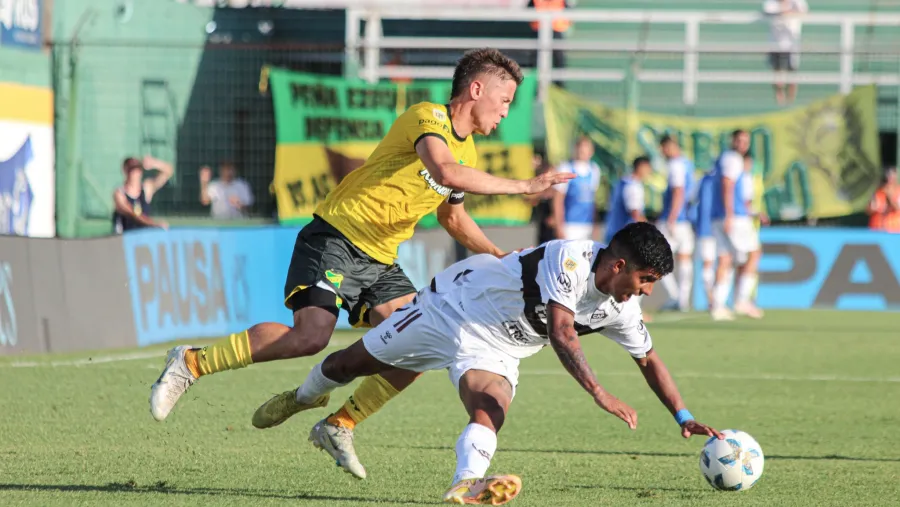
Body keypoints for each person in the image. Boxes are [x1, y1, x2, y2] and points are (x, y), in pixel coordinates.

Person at [148, 48, 575, 479]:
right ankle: (191, 362)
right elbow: (443, 171)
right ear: (476, 88)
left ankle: (340, 423)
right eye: (504, 99)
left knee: (419, 342)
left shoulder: (471, 156)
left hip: (381, 260)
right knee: (311, 337)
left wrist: (498, 256)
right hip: (336, 237)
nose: (506, 110)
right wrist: (523, 185)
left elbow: (452, 216)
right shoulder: (427, 118)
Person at [259, 222, 722, 505]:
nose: (646, 292)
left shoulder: (621, 307)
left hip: (501, 346)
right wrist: (599, 392)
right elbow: (561, 332)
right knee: (348, 365)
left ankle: (466, 485)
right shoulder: (571, 260)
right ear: (619, 265)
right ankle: (303, 399)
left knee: (491, 409)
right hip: (455, 309)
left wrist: (683, 415)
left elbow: (649, 358)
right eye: (645, 280)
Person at [710, 130, 758, 321]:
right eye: (739, 140)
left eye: (746, 141)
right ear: (732, 141)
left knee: (725, 258)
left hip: (719, 216)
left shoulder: (724, 158)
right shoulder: (733, 159)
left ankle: (718, 305)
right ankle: (741, 300)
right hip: (734, 217)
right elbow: (727, 185)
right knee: (754, 254)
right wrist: (730, 214)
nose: (742, 144)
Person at [656, 135, 696, 312]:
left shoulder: (675, 164)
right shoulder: (688, 163)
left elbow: (678, 192)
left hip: (674, 219)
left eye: (663, 148)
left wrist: (672, 217)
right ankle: (683, 300)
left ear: (668, 147)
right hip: (686, 219)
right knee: (685, 257)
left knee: (657, 258)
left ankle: (675, 296)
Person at [732, 154, 766, 318]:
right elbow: (745, 203)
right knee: (755, 254)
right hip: (741, 220)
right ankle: (742, 300)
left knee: (739, 262)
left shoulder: (730, 177)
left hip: (732, 220)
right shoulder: (744, 178)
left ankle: (738, 300)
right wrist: (757, 213)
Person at [551, 135, 601, 241]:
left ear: (591, 151)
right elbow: (558, 200)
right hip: (569, 225)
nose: (582, 151)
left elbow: (593, 200)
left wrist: (595, 224)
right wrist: (559, 226)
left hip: (587, 225)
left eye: (586, 148)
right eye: (580, 148)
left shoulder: (594, 169)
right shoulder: (566, 168)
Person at [763, 0, 809, 106]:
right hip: (775, 43)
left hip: (792, 43)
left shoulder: (798, 2)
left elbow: (804, 12)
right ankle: (780, 101)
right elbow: (769, 12)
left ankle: (791, 101)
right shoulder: (771, 3)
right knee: (777, 72)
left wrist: (788, 12)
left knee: (792, 72)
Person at [112, 155, 172, 234]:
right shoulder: (120, 193)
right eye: (131, 170)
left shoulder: (146, 189)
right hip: (123, 239)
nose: (134, 173)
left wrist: (154, 163)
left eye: (137, 169)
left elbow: (168, 171)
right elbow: (134, 214)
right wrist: (153, 224)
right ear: (125, 171)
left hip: (142, 238)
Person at [603, 156, 650, 245]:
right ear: (641, 167)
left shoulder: (622, 182)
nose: (649, 171)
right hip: (624, 237)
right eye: (648, 168)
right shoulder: (633, 186)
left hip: (613, 232)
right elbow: (635, 213)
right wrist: (650, 230)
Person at [692, 167, 718, 310]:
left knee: (720, 264)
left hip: (709, 228)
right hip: (711, 228)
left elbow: (692, 201)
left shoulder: (703, 180)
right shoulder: (708, 181)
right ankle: (712, 300)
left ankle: (715, 300)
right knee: (711, 264)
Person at [867, 167, 900, 233]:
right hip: (877, 229)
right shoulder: (879, 192)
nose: (889, 180)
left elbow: (897, 208)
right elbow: (868, 210)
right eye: (888, 177)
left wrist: (889, 196)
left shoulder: (898, 191)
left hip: (895, 230)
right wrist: (873, 207)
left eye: (892, 177)